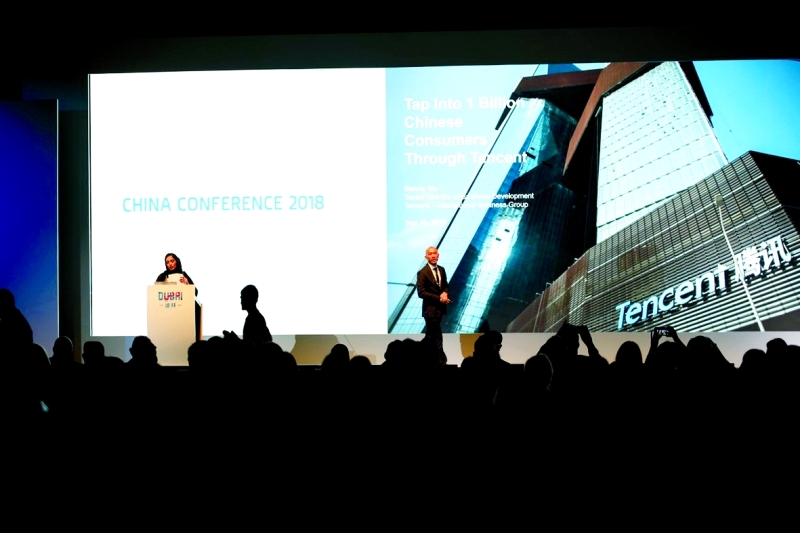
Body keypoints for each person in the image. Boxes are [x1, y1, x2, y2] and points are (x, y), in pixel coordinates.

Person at [155, 253, 200, 340]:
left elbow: (195, 292)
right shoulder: (163, 276)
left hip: (183, 311)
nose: (170, 264)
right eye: (167, 262)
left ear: (177, 261)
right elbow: (155, 292)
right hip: (168, 311)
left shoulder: (183, 274)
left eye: (172, 261)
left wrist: (187, 283)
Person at [417, 246, 450, 363]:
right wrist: (439, 298)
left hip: (440, 309)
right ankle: (441, 359)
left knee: (430, 335)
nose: (433, 256)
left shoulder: (442, 270)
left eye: (435, 253)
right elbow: (421, 293)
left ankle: (421, 356)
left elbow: (445, 285)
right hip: (429, 310)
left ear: (438, 255)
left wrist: (445, 293)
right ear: (426, 257)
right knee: (437, 334)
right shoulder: (422, 273)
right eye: (430, 254)